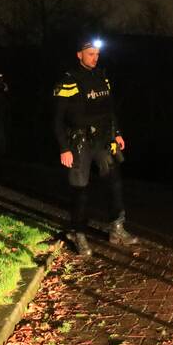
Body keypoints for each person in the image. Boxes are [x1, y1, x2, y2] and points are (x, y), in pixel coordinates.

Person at [53, 36, 136, 256]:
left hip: (103, 139)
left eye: (97, 54)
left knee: (114, 183)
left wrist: (117, 133)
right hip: (79, 143)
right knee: (80, 190)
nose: (95, 58)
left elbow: (109, 111)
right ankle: (78, 233)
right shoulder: (69, 81)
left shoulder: (102, 78)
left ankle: (116, 227)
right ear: (79, 55)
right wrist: (64, 148)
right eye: (90, 54)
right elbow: (57, 119)